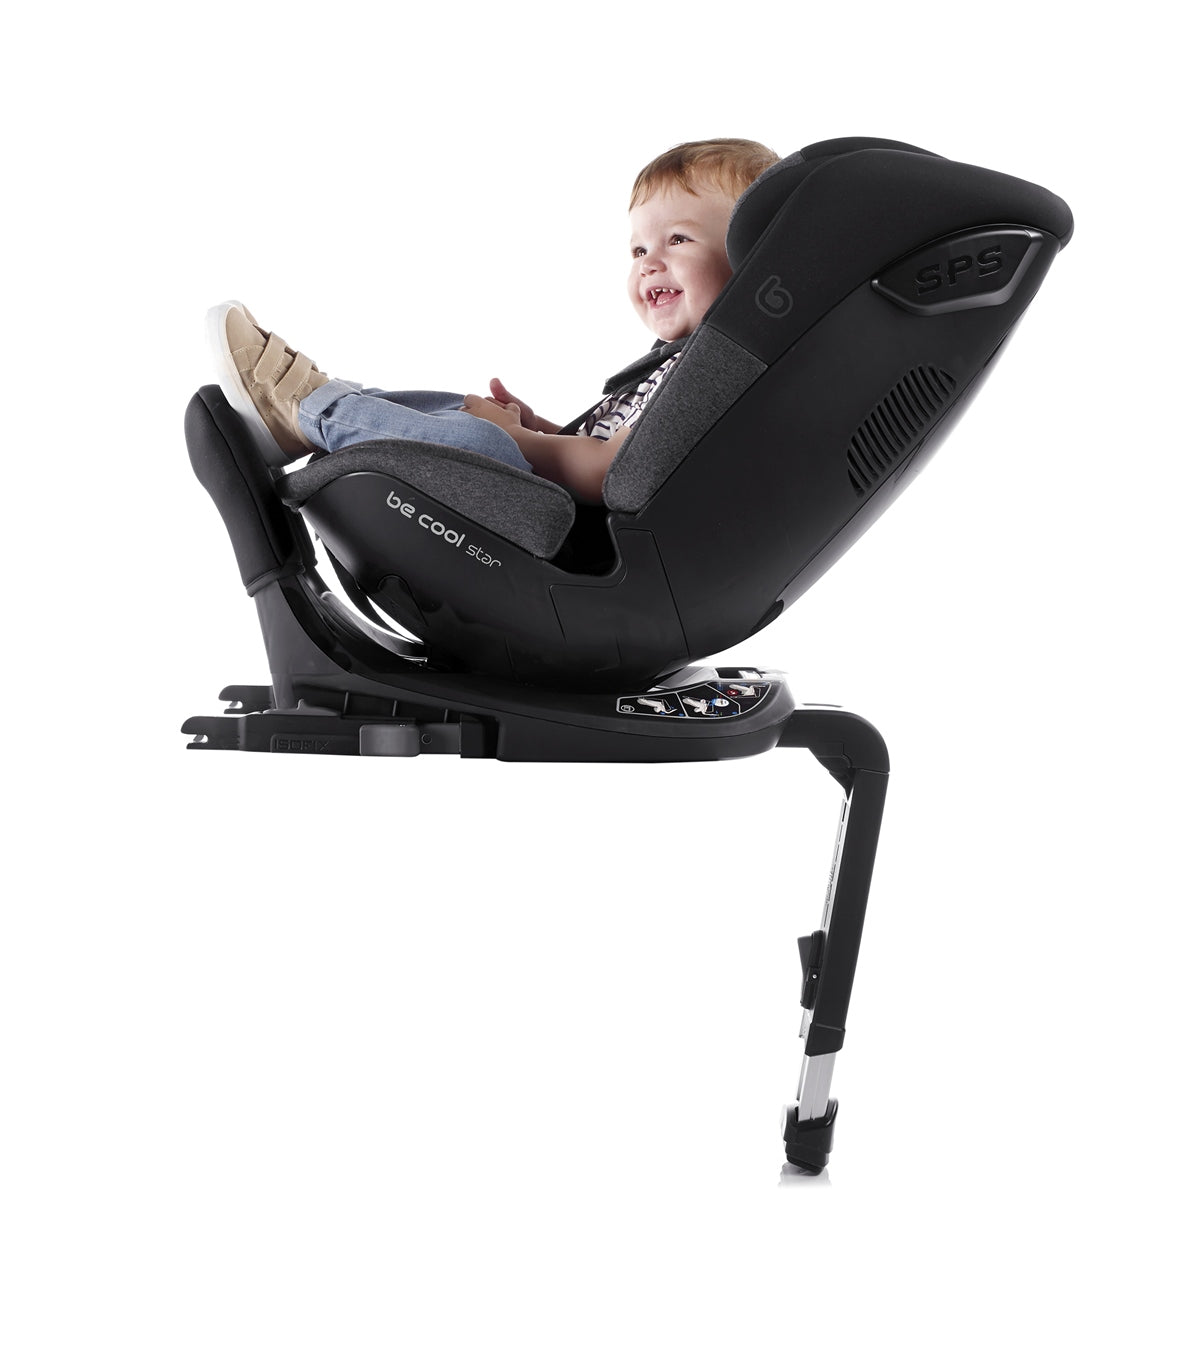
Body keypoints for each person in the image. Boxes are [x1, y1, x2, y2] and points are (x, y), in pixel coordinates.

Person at [210, 138, 778, 505]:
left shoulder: (710, 375)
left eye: (678, 239)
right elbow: (615, 451)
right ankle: (322, 404)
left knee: (478, 437)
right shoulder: (688, 365)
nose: (650, 262)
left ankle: (310, 408)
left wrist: (517, 439)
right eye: (637, 251)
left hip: (568, 535)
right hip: (559, 501)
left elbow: (613, 474)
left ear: (752, 256)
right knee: (453, 410)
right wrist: (543, 430)